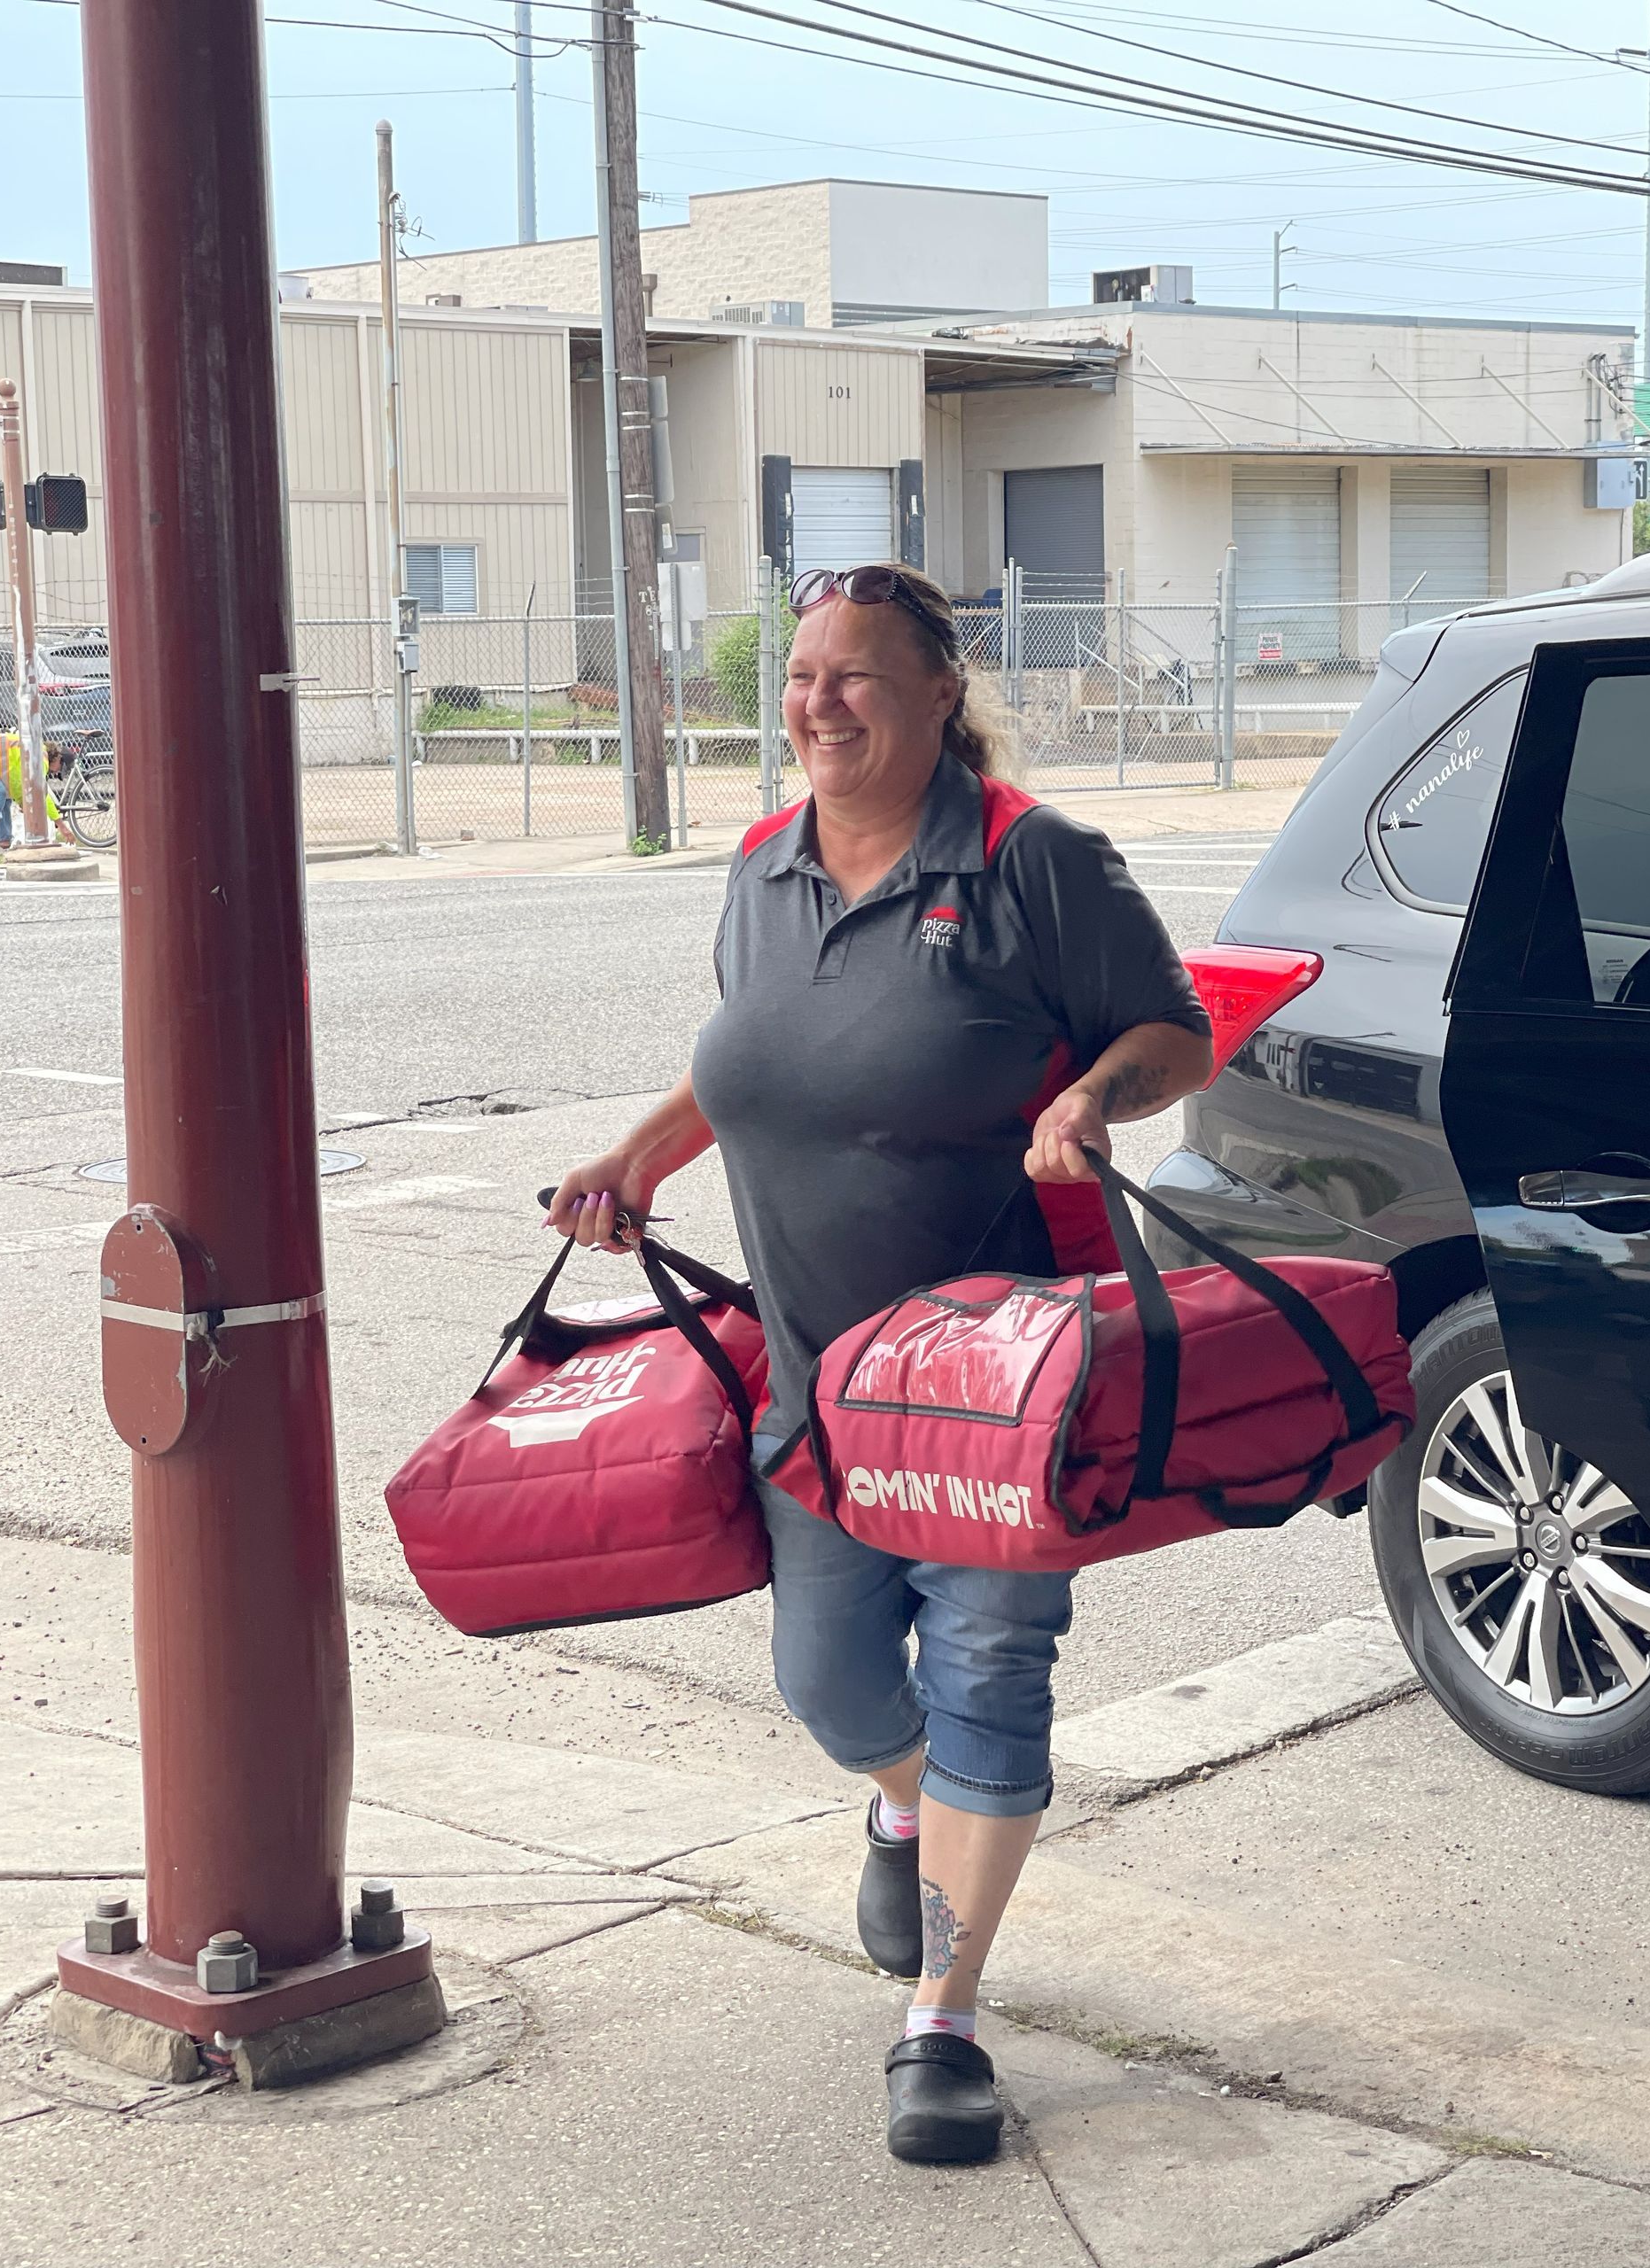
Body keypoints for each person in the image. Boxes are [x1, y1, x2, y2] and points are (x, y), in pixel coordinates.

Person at [548, 562, 1212, 2165]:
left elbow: (1178, 1030)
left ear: (936, 696)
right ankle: (905, 1806)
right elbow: (757, 1060)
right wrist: (636, 1157)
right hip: (808, 1386)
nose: (818, 702)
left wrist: (1091, 1101)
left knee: (990, 1667)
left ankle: (947, 2025)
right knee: (828, 1681)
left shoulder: (1032, 860)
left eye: (857, 676)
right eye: (798, 676)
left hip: (1000, 1396)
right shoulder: (763, 864)